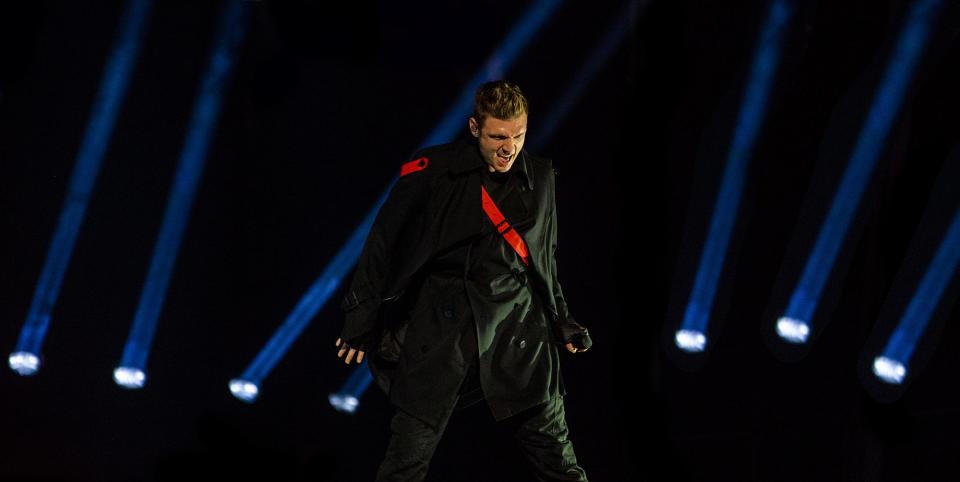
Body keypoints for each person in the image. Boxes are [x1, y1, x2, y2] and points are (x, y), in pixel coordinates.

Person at [335, 80, 592, 481]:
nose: (509, 147)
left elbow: (543, 258)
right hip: (442, 332)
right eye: (498, 136)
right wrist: (360, 319)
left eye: (519, 135)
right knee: (406, 462)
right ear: (475, 128)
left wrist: (563, 320)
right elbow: (382, 246)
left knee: (558, 462)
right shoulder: (433, 171)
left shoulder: (540, 177)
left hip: (517, 330)